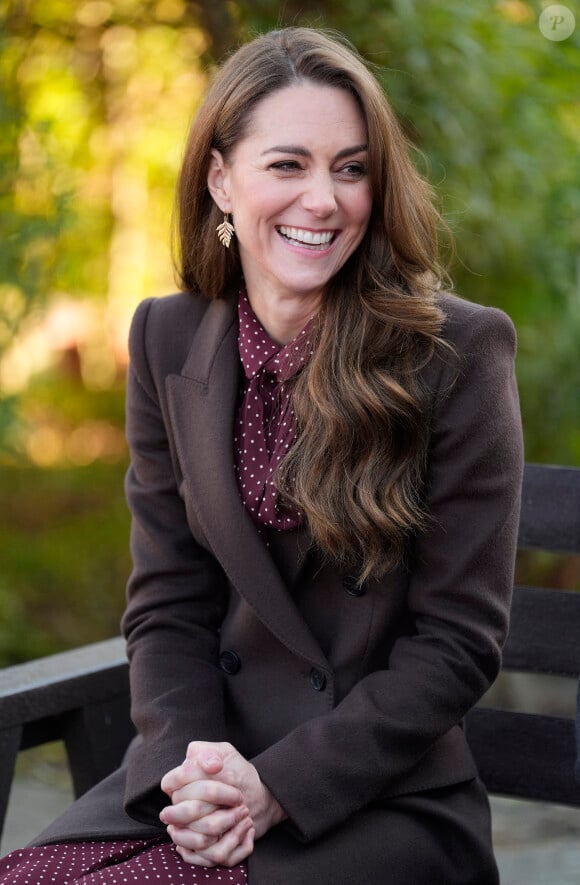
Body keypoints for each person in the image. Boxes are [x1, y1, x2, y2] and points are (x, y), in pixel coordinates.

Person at [0, 26, 523, 885]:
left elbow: (456, 644)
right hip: (202, 780)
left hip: (373, 800)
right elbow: (168, 604)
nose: (324, 199)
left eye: (351, 169)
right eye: (288, 165)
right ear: (220, 181)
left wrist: (273, 788)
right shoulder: (167, 338)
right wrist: (197, 770)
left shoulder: (457, 354)